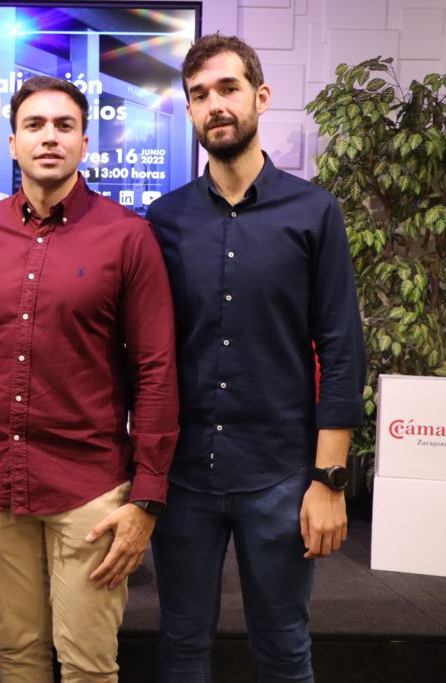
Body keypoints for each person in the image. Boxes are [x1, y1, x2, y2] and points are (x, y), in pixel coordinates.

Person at [0, 75, 180, 682]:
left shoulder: (128, 235)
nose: (51, 138)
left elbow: (155, 371)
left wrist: (146, 498)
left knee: (88, 664)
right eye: (36, 126)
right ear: (13, 143)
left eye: (64, 126)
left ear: (85, 142)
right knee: (16, 655)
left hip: (89, 487)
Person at [145, 34, 366, 682]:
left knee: (283, 646)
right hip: (184, 477)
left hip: (281, 474)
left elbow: (342, 348)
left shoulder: (314, 212)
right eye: (199, 94)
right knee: (181, 644)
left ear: (260, 97)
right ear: (189, 111)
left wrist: (329, 481)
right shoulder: (164, 220)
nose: (215, 104)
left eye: (228, 88)